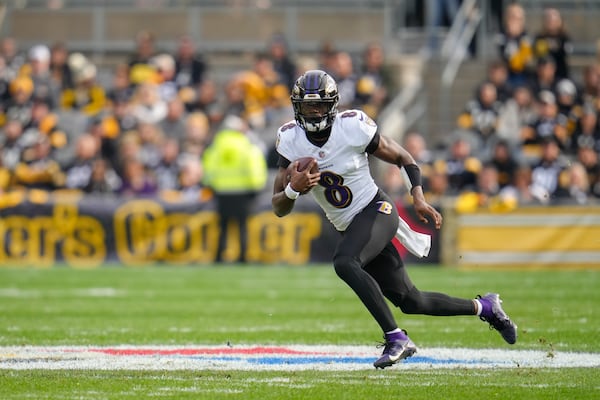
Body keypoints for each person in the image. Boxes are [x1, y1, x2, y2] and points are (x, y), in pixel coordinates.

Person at [271, 70, 517, 369]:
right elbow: (279, 206)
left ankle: (396, 337)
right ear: (297, 106)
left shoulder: (352, 128)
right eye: (307, 106)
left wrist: (418, 196)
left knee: (345, 262)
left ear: (332, 105)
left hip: (377, 210)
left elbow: (404, 158)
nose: (313, 112)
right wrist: (292, 190)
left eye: (319, 105)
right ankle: (486, 307)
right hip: (351, 226)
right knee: (411, 300)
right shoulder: (290, 139)